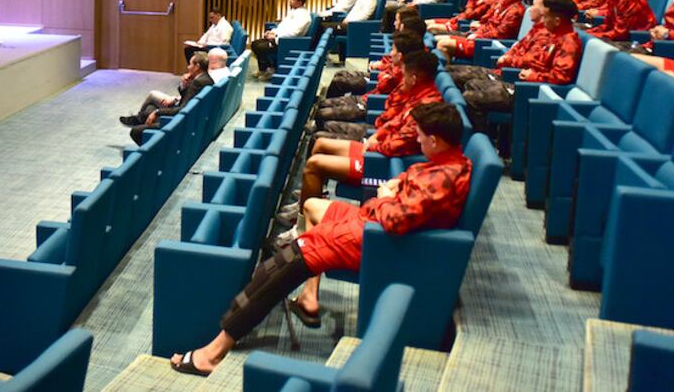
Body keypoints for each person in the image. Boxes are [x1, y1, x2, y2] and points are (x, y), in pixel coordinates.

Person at [168, 102, 472, 377]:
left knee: (282, 270)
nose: (417, 141)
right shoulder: (448, 163)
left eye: (420, 136)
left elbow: (394, 219)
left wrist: (384, 196)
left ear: (434, 140)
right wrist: (392, 190)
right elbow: (407, 181)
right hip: (371, 228)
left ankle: (214, 351)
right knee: (281, 258)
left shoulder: (444, 176)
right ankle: (283, 304)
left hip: (382, 243)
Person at [287, 52, 443, 216]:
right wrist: (378, 135)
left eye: (404, 75)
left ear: (414, 78)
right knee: (320, 143)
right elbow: (394, 122)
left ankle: (301, 218)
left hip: (380, 162)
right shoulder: (415, 94)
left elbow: (401, 143)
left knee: (315, 164)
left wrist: (374, 144)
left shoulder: (427, 108)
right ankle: (312, 194)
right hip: (378, 148)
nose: (401, 79)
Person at [460, 0, 582, 135]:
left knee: (471, 98)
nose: (544, 20)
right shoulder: (555, 35)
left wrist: (534, 76)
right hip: (522, 82)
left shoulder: (569, 42)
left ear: (557, 21)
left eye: (546, 17)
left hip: (532, 92)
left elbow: (561, 77)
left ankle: (480, 140)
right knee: (472, 84)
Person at [315, 31, 425, 130]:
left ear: (400, 56)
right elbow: (384, 72)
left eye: (393, 50)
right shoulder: (403, 66)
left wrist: (383, 74)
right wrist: (384, 74)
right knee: (323, 103)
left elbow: (384, 86)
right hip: (369, 98)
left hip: (371, 106)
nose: (391, 53)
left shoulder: (406, 73)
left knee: (323, 113)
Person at [445, 0, 550, 89]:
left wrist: (507, 60)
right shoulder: (535, 29)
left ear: (545, 11)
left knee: (457, 78)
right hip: (499, 65)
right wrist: (506, 57)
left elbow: (529, 60)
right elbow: (488, 22)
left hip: (510, 74)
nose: (530, 9)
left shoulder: (545, 35)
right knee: (447, 70)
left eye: (534, 6)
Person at [120, 51, 214, 144]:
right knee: (150, 108)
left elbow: (182, 109)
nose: (188, 67)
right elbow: (188, 99)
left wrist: (157, 112)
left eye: (190, 65)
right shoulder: (207, 79)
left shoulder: (197, 83)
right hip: (190, 118)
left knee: (135, 131)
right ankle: (138, 119)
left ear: (197, 67)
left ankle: (151, 153)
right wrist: (184, 85)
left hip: (178, 122)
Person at [436, 0, 526, 62]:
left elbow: (499, 34)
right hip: (478, 36)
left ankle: (445, 71)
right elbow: (486, 22)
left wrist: (478, 35)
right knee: (437, 39)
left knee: (443, 44)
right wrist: (478, 32)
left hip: (486, 44)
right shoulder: (501, 3)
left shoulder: (515, 11)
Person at [250, 0, 312, 77]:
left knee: (261, 47)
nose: (290, 0)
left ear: (300, 2)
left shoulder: (303, 16)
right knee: (255, 43)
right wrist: (273, 32)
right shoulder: (294, 11)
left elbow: (294, 33)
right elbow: (283, 26)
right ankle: (264, 69)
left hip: (288, 42)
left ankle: (270, 69)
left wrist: (275, 36)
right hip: (281, 38)